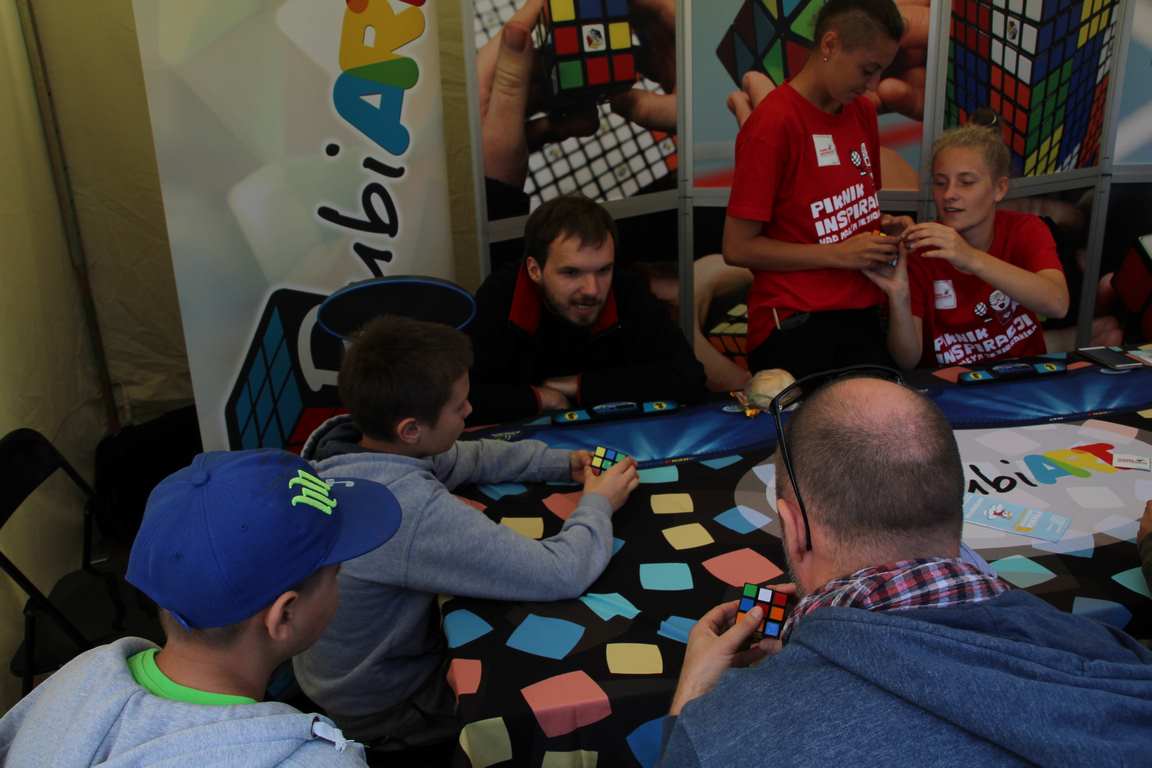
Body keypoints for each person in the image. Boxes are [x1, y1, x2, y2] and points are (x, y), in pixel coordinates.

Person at [659, 373, 1152, 766]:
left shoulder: (718, 738)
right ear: (958, 506)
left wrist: (690, 706)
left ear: (794, 529)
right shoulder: (1114, 652)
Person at [293, 315, 639, 749]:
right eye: (459, 408)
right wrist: (599, 502)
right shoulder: (404, 510)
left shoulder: (343, 449)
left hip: (329, 674)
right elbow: (560, 573)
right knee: (544, 682)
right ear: (411, 430)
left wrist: (560, 463)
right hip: (386, 706)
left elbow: (463, 457)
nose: (471, 411)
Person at [0, 449, 404, 767]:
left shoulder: (75, 680)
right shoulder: (314, 762)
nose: (339, 582)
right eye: (336, 574)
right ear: (284, 615)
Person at [722, 0, 911, 379]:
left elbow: (839, 213)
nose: (873, 85)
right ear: (830, 45)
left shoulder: (861, 112)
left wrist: (882, 228)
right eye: (868, 70)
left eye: (881, 72)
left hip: (864, 313)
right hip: (796, 320)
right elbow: (737, 248)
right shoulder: (773, 124)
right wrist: (839, 254)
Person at [468, 195, 707, 424]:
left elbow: (689, 378)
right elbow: (465, 399)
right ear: (534, 270)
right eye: (571, 272)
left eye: (603, 270)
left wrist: (580, 386)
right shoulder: (502, 296)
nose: (592, 290)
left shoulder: (626, 289)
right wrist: (540, 398)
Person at [865, 125, 1070, 368]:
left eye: (966, 182)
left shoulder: (1025, 229)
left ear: (999, 189)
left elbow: (1057, 304)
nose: (949, 194)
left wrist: (969, 257)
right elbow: (908, 360)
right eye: (940, 183)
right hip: (951, 383)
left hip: (1024, 375)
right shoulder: (920, 248)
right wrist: (899, 295)